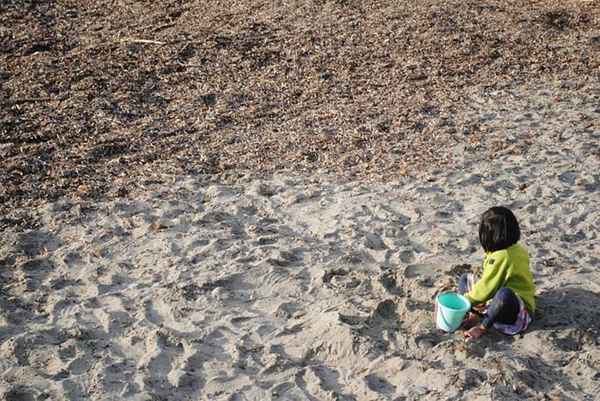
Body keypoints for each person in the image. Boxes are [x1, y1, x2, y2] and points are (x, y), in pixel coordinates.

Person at [459, 206, 536, 340]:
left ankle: (482, 327)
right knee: (466, 279)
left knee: (504, 295)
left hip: (515, 310)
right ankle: (476, 315)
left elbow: (487, 288)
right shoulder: (515, 249)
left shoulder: (503, 256)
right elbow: (488, 282)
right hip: (496, 298)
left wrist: (465, 301)